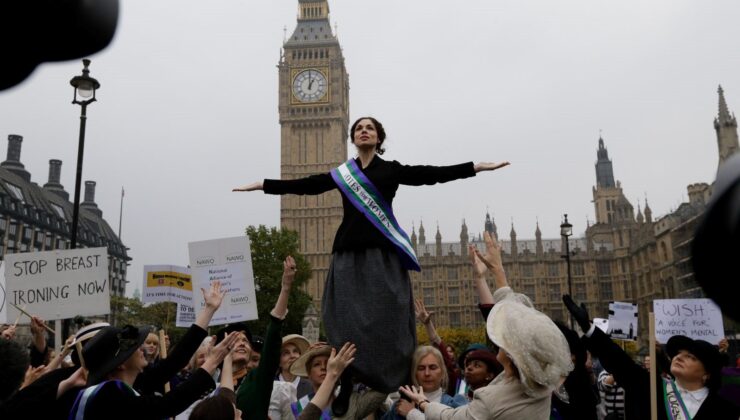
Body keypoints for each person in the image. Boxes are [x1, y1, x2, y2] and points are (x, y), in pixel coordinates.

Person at [234, 116, 510, 414]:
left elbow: (429, 174)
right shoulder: (343, 173)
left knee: (390, 316)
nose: (364, 131)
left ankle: (397, 378)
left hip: (383, 255)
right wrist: (263, 185)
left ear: (379, 138)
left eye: (370, 128)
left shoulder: (390, 170)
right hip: (347, 255)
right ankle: (349, 378)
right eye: (359, 129)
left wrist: (474, 168)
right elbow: (307, 186)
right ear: (353, 138)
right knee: (344, 318)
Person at [399, 232, 573, 419]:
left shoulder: (491, 399)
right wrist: (497, 271)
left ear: (514, 354)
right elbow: (516, 319)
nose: (502, 340)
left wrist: (421, 405)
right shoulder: (542, 383)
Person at [564, 294, 740, 420]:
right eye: (679, 354)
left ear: (707, 374)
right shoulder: (651, 387)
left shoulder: (725, 409)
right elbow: (620, 363)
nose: (679, 357)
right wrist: (589, 328)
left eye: (691, 357)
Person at [65, 325, 239, 420]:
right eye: (133, 348)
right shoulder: (108, 395)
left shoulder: (129, 386)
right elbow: (167, 405)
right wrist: (213, 361)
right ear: (120, 364)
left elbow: (172, 363)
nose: (141, 348)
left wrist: (208, 310)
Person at [290, 343, 384, 419]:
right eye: (316, 364)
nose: (323, 367)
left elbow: (385, 387)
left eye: (328, 363)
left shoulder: (352, 403)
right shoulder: (298, 407)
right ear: (309, 374)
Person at [382, 346, 468, 420]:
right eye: (421, 368)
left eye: (433, 367)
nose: (427, 373)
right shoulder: (400, 405)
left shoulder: (456, 404)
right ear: (414, 373)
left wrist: (411, 413)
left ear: (442, 372)